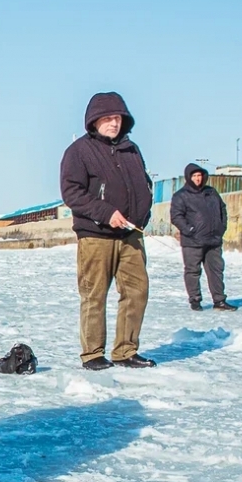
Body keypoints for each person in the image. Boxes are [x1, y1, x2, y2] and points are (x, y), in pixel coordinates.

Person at [60, 92, 156, 370]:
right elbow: (72, 193)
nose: (113, 123)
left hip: (131, 235)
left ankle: (126, 350)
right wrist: (106, 213)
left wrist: (142, 214)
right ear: (94, 121)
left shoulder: (132, 150)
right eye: (107, 118)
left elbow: (144, 185)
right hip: (95, 235)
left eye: (118, 118)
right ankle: (92, 354)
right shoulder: (78, 151)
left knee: (137, 291)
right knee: (94, 294)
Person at [170, 163, 235, 311]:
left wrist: (221, 227)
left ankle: (219, 301)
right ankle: (195, 300)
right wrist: (189, 230)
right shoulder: (181, 196)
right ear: (188, 177)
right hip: (192, 241)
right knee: (193, 271)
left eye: (199, 176)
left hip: (213, 240)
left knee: (216, 271)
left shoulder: (211, 192)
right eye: (194, 176)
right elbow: (176, 216)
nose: (198, 179)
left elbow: (222, 209)